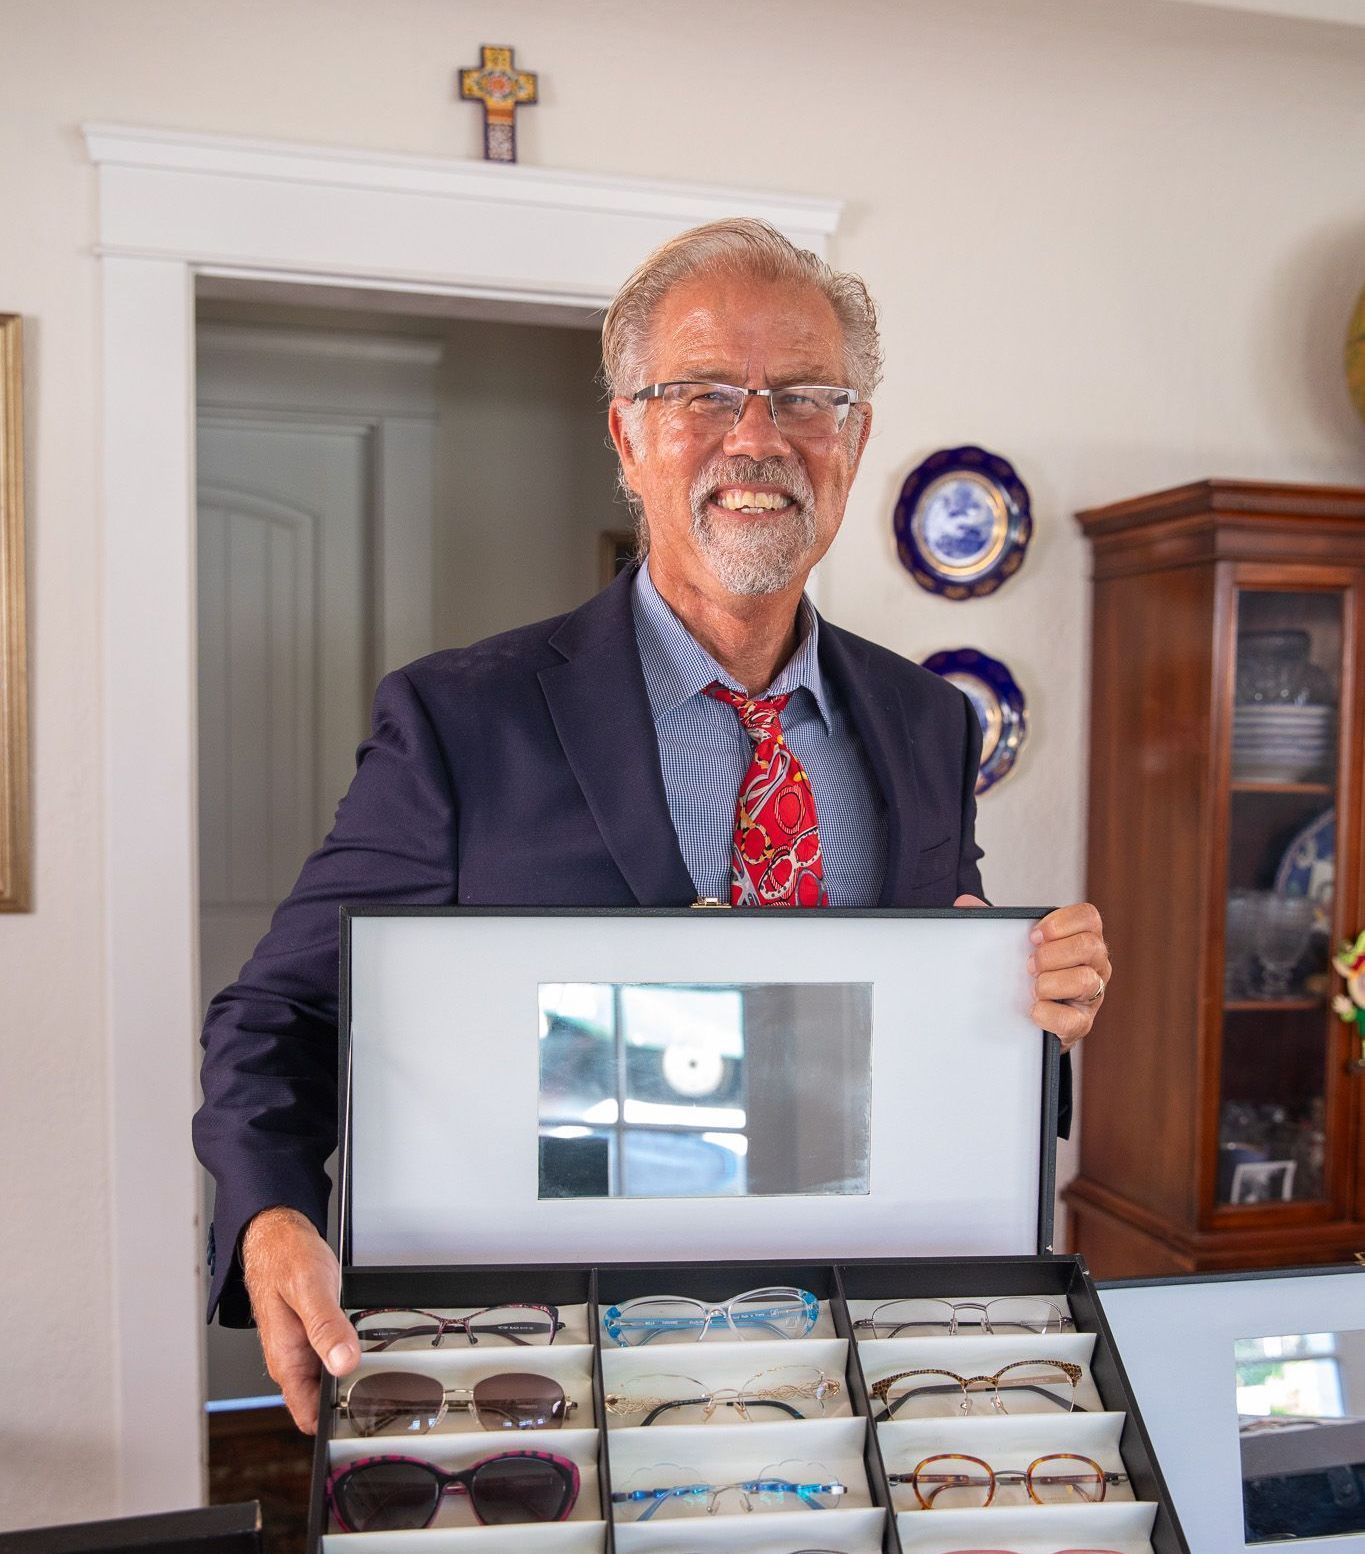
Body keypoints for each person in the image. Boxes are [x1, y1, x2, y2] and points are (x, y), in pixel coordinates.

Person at [193, 218, 1112, 1432]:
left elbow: (917, 1022)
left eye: (806, 396)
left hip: (849, 1368)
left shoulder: (925, 721)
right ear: (628, 434)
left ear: (856, 439)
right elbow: (280, 1016)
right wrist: (270, 1218)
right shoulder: (462, 719)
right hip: (540, 1371)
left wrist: (1029, 1002)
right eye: (702, 394)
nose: (758, 435)